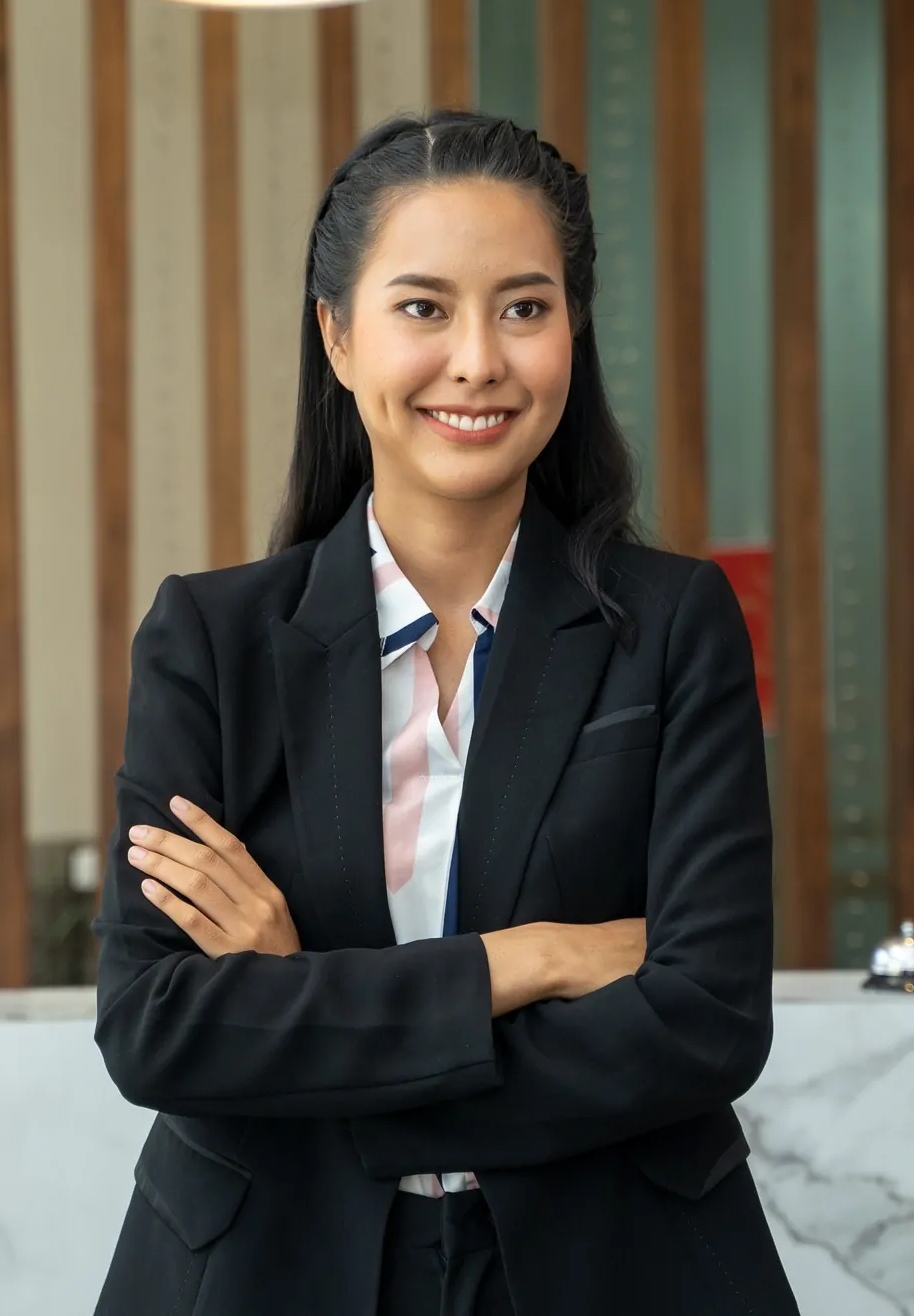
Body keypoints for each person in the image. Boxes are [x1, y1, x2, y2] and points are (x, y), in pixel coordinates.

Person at [92, 109, 796, 1316]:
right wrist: (533, 961)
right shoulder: (211, 642)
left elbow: (704, 1020)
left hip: (612, 1263)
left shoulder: (674, 623)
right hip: (276, 1266)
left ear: (572, 332)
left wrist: (309, 998)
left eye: (523, 307)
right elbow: (160, 1028)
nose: (478, 359)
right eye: (422, 307)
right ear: (337, 336)